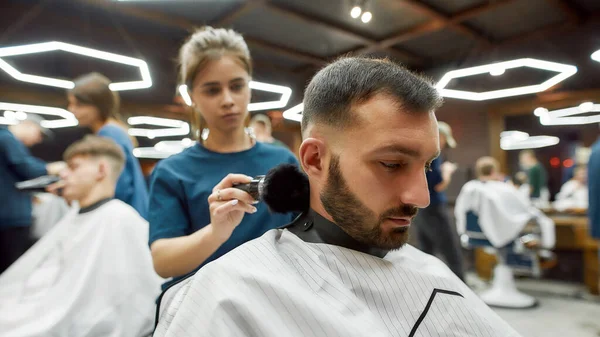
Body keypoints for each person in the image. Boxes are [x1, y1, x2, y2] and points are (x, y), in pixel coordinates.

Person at [153, 57, 521, 337]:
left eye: (426, 166)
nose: (421, 197)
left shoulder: (427, 269)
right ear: (313, 159)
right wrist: (217, 233)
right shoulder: (228, 295)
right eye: (392, 164)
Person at [148, 27, 299, 289]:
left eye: (237, 86)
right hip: (203, 303)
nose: (228, 100)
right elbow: (163, 262)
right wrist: (215, 233)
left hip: (276, 298)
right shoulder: (172, 172)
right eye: (212, 90)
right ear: (192, 96)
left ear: (249, 87)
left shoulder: (283, 161)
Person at [0, 136, 162, 337]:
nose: (63, 174)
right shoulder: (78, 215)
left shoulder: (119, 218)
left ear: (101, 170)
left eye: (74, 167)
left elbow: (127, 304)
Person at [67, 72, 148, 218]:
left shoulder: (110, 134)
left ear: (98, 105)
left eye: (78, 105)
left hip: (119, 216)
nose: (71, 110)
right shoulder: (114, 131)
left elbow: (117, 184)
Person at [0, 115, 65, 274]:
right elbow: (26, 167)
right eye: (39, 134)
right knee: (9, 269)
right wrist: (51, 168)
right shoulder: (7, 139)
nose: (38, 140)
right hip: (9, 219)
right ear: (28, 125)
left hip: (9, 215)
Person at [455, 157, 555, 249]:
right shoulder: (504, 188)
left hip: (475, 234)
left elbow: (459, 211)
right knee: (543, 223)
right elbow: (524, 207)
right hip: (503, 234)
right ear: (494, 171)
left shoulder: (469, 187)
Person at [411, 120, 464, 280]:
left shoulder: (420, 152)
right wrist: (447, 171)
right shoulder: (434, 153)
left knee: (426, 250)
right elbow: (438, 185)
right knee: (450, 249)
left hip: (419, 208)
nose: (444, 144)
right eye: (444, 140)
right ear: (439, 135)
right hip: (433, 207)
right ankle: (463, 288)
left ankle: (429, 285)